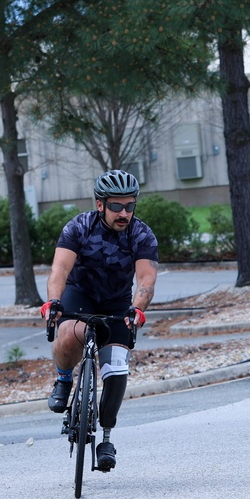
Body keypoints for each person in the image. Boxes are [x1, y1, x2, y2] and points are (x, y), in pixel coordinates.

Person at [40, 169, 159, 472]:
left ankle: (106, 437)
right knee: (69, 335)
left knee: (117, 371)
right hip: (80, 295)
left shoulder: (141, 235)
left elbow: (146, 280)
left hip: (118, 303)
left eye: (130, 206)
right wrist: (53, 301)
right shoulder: (78, 227)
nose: (124, 213)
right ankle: (64, 380)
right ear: (100, 205)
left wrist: (138, 308)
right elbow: (59, 270)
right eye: (116, 206)